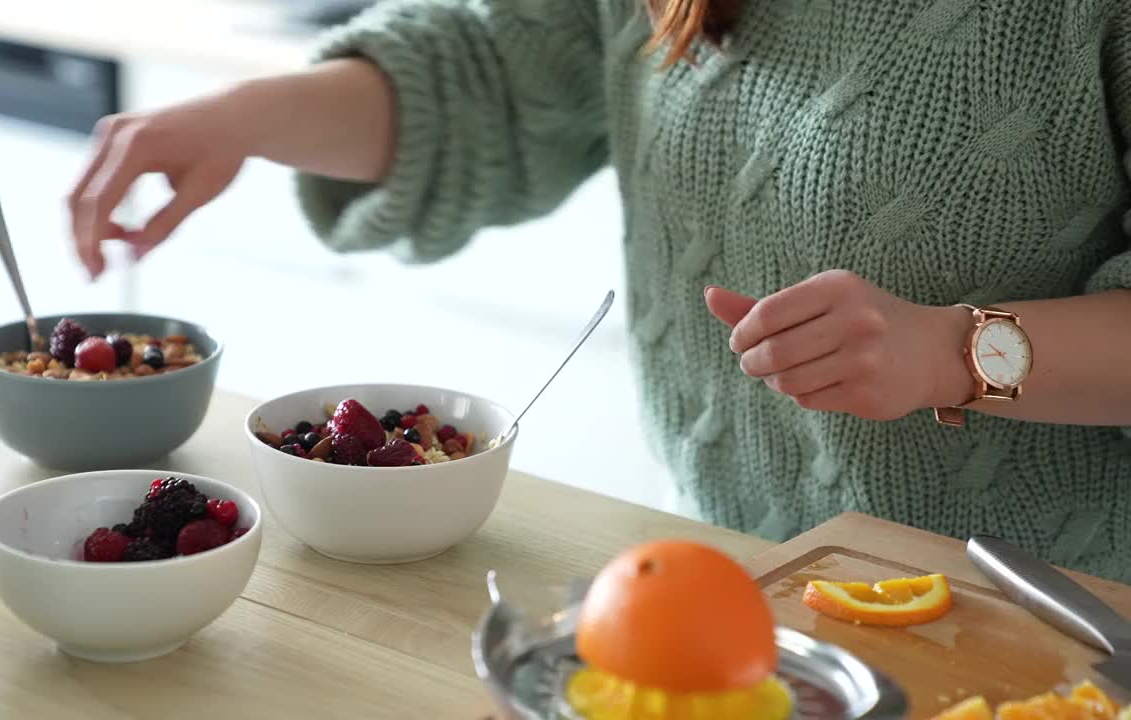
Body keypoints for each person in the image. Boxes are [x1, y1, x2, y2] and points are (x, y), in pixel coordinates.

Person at [67, 0, 1131, 580]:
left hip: (1047, 612)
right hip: (737, 578)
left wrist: (952, 351)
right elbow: (489, 76)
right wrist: (242, 117)